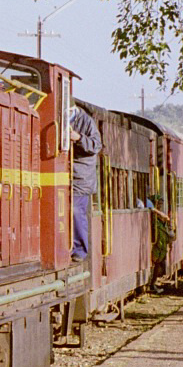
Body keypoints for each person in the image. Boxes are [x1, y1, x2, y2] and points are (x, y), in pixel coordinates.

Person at [68, 105, 101, 261]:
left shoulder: (87, 122)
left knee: (76, 210)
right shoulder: (59, 117)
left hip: (81, 178)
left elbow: (96, 145)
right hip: (62, 175)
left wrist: (79, 138)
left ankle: (80, 250)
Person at [146, 194, 174, 293]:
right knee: (155, 262)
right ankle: (152, 284)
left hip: (160, 245)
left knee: (157, 263)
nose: (160, 206)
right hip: (156, 245)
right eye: (158, 204)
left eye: (161, 204)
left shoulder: (158, 218)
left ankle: (153, 283)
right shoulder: (153, 215)